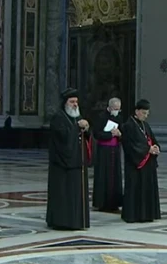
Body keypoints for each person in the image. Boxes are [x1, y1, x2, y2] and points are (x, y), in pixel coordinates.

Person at [46, 88, 91, 230]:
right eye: (72, 102)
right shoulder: (58, 118)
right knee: (64, 194)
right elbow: (62, 139)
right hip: (62, 166)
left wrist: (87, 130)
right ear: (65, 103)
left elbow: (85, 137)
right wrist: (77, 128)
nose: (75, 104)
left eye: (76, 102)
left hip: (77, 163)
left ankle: (77, 220)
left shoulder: (77, 117)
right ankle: (63, 221)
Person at [121, 99, 162, 223]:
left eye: (147, 113)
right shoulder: (128, 126)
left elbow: (151, 139)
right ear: (137, 111)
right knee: (135, 188)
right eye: (143, 113)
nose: (145, 115)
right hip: (135, 163)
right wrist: (147, 149)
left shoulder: (145, 125)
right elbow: (130, 145)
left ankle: (147, 214)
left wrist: (156, 148)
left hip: (148, 163)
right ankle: (134, 215)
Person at [92, 97, 123, 212]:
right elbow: (97, 133)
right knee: (103, 176)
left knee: (115, 177)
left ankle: (115, 203)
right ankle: (102, 203)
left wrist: (119, 134)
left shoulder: (119, 118)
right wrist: (110, 134)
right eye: (114, 109)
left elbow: (123, 132)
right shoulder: (101, 117)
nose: (116, 111)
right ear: (109, 108)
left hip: (115, 150)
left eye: (118, 109)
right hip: (103, 151)